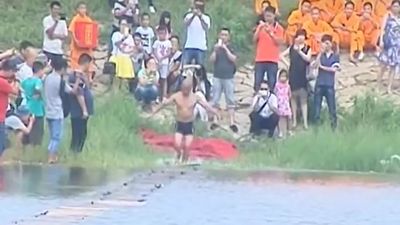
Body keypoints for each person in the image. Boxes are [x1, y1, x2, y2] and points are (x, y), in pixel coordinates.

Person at [150, 73, 219, 164]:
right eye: (183, 89)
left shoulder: (195, 97)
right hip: (179, 124)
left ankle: (185, 161)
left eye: (186, 90)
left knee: (187, 146)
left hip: (189, 125)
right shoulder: (177, 96)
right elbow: (164, 104)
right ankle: (178, 155)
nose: (184, 91)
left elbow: (206, 106)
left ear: (190, 89)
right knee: (177, 145)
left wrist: (215, 112)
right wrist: (154, 112)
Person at [44, 57, 79, 163]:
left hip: (48, 110)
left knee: (52, 135)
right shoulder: (60, 81)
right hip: (57, 111)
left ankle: (53, 156)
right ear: (63, 68)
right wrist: (78, 80)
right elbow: (72, 92)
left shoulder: (47, 77)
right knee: (56, 136)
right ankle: (51, 157)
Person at [281, 29, 311, 130]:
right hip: (293, 75)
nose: (301, 38)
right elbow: (281, 55)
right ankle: (294, 121)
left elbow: (308, 59)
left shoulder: (307, 48)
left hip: (302, 76)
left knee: (303, 100)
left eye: (303, 36)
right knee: (293, 99)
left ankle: (305, 122)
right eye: (299, 36)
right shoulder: (291, 48)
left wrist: (300, 52)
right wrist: (287, 64)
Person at [210, 27, 238, 132]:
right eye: (222, 34)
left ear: (229, 37)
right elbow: (212, 60)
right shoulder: (216, 48)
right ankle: (215, 120)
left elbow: (234, 59)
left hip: (228, 76)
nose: (223, 37)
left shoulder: (231, 47)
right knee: (215, 99)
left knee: (230, 99)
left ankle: (232, 122)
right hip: (217, 75)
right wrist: (216, 50)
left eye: (226, 35)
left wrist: (225, 49)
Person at [253, 6, 284, 93]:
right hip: (260, 59)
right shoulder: (260, 27)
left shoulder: (279, 28)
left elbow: (279, 42)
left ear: (274, 16)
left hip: (272, 59)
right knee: (257, 82)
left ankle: (272, 100)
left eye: (270, 16)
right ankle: (257, 100)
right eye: (266, 16)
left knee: (272, 82)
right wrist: (259, 28)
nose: (268, 18)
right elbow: (254, 40)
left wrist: (270, 33)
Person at [313, 34, 340, 129]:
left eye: (328, 43)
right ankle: (316, 128)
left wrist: (322, 67)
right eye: (324, 43)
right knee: (317, 109)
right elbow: (314, 66)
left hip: (329, 84)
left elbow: (334, 69)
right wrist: (320, 53)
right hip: (319, 84)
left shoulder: (335, 56)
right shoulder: (321, 55)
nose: (326, 45)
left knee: (332, 108)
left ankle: (334, 127)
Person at [69, 54, 94, 153]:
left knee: (83, 132)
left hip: (82, 110)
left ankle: (78, 151)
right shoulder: (76, 75)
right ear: (86, 63)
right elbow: (79, 92)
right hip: (78, 110)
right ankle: (75, 151)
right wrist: (84, 110)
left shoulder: (83, 75)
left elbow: (87, 87)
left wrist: (87, 78)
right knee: (78, 132)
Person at [68, 2, 97, 81]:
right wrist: (76, 41)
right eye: (81, 8)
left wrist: (94, 42)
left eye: (84, 8)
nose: (83, 10)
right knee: (76, 63)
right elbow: (71, 31)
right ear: (77, 9)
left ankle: (89, 79)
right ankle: (75, 79)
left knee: (89, 62)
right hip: (77, 48)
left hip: (86, 48)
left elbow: (92, 31)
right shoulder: (75, 19)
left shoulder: (88, 19)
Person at [21, 61, 46, 146]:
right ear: (40, 70)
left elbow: (21, 88)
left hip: (27, 108)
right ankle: (35, 148)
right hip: (37, 110)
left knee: (27, 131)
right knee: (37, 133)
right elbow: (37, 88)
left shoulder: (26, 81)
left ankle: (25, 148)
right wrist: (40, 94)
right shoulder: (38, 81)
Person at [378, 0, 400, 94]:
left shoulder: (399, 18)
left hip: (397, 45)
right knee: (383, 65)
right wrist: (381, 40)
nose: (395, 8)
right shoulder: (387, 15)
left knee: (393, 67)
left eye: (397, 6)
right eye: (394, 6)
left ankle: (389, 87)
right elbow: (382, 29)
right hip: (388, 43)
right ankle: (378, 85)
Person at [0, 60, 20, 163]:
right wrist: (16, 82)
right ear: (9, 70)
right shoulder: (2, 82)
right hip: (0, 118)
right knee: (1, 145)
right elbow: (15, 91)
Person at [182, 0, 211, 66]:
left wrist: (200, 17)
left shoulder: (206, 17)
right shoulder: (188, 16)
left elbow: (206, 28)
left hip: (201, 47)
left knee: (200, 68)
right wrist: (193, 16)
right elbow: (186, 25)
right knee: (186, 67)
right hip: (189, 45)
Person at [110, 19, 135, 90]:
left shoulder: (130, 37)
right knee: (116, 79)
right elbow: (116, 44)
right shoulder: (116, 34)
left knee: (125, 80)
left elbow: (132, 48)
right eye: (122, 24)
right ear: (119, 25)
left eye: (125, 25)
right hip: (117, 57)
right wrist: (123, 38)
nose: (123, 26)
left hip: (126, 58)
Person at [153, 26, 172, 101]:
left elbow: (169, 52)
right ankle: (156, 96)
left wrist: (162, 58)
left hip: (165, 62)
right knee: (156, 79)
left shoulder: (168, 42)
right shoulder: (156, 42)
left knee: (164, 79)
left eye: (163, 33)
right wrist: (158, 59)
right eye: (160, 33)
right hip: (157, 62)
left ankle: (164, 96)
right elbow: (154, 51)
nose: (162, 35)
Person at [275, 70, 292, 138]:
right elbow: (275, 92)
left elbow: (290, 94)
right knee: (280, 117)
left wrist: (287, 99)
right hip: (279, 102)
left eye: (285, 76)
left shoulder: (287, 85)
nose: (283, 78)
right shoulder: (277, 85)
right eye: (282, 76)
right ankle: (281, 131)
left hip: (286, 102)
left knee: (289, 116)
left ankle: (289, 130)